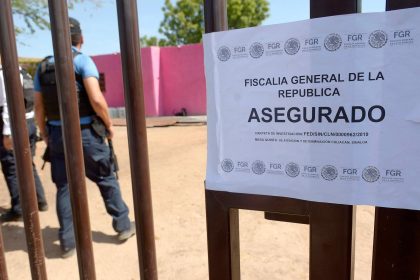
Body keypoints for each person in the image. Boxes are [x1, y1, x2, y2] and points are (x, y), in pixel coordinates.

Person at [34, 17, 135, 258]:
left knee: (65, 187)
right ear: (81, 39)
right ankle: (122, 226)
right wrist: (109, 125)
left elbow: (39, 108)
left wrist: (46, 133)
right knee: (105, 178)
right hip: (86, 134)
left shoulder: (43, 67)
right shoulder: (82, 61)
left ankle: (68, 241)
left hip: (57, 135)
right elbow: (97, 99)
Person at [0, 57, 48, 222]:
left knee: (11, 167)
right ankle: (40, 200)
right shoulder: (24, 73)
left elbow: (7, 104)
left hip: (13, 126)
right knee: (28, 163)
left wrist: (7, 133)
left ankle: (19, 208)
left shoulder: (4, 74)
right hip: (28, 123)